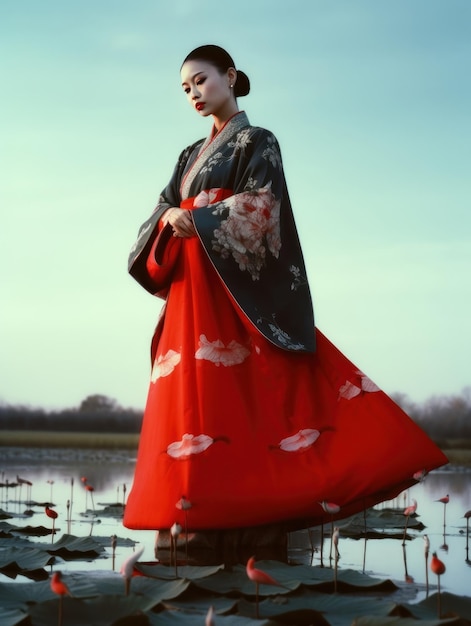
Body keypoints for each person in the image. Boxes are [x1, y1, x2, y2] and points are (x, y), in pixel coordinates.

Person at [123, 45, 447, 564]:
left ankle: (255, 514)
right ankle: (196, 512)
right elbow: (160, 208)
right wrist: (169, 220)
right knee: (195, 403)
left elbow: (262, 208)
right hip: (194, 292)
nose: (194, 94)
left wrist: (200, 217)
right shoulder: (188, 156)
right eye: (185, 89)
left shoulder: (258, 141)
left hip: (234, 292)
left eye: (201, 81)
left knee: (247, 395)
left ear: (229, 77)